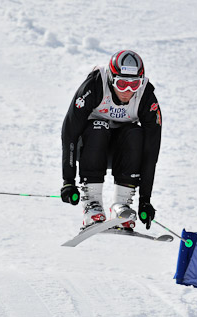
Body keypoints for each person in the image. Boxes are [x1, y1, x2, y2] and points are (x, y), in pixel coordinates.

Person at [60, 50, 162, 231]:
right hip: (89, 146)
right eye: (122, 84)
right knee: (99, 126)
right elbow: (70, 132)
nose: (128, 91)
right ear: (111, 79)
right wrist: (68, 181)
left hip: (121, 154)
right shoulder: (95, 85)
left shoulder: (146, 96)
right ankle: (92, 203)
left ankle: (121, 206)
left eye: (134, 84)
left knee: (135, 133)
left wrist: (145, 199)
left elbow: (151, 151)